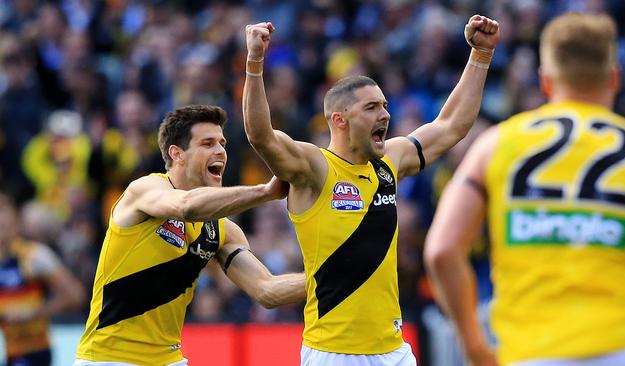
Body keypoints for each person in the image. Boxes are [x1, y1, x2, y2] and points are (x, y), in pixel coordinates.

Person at [243, 15, 499, 365]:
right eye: (372, 107)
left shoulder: (389, 161)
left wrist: (480, 55)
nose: (385, 115)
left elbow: (451, 125)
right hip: (334, 352)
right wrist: (255, 63)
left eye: (385, 106)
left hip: (393, 350)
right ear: (339, 120)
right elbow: (261, 136)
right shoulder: (315, 168)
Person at [424, 12, 625, 366]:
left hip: (530, 350)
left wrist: (474, 346)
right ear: (615, 79)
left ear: (546, 81)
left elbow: (442, 250)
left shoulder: (496, 144)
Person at [75, 105, 306, 365]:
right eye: (207, 143)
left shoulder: (222, 230)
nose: (220, 151)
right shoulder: (145, 190)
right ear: (177, 154)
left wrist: (336, 277)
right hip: (109, 358)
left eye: (222, 143)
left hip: (169, 359)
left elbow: (268, 290)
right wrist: (264, 193)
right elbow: (186, 207)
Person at [0, 193, 85, 366]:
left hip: (34, 352)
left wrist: (34, 312)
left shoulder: (34, 256)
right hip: (9, 351)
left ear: (15, 220)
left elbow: (75, 295)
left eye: (3, 211)